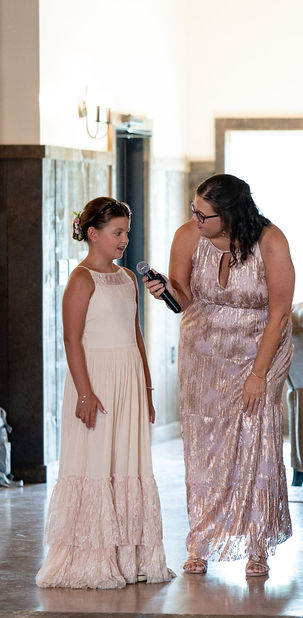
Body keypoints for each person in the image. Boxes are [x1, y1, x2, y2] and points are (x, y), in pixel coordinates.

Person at [144, 174, 294, 578]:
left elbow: (279, 312)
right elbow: (186, 296)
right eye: (194, 210)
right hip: (204, 352)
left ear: (228, 215)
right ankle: (201, 538)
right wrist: (166, 293)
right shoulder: (188, 236)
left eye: (203, 214)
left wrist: (258, 374)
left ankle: (257, 544)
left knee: (256, 436)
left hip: (260, 348)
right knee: (205, 441)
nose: (195, 219)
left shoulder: (270, 241)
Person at [36, 198, 175, 589]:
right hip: (95, 382)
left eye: (127, 232)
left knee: (127, 465)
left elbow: (136, 335)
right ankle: (92, 558)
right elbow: (71, 338)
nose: (125, 240)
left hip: (128, 381)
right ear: (93, 234)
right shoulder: (81, 279)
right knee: (97, 463)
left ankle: (130, 558)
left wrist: (146, 389)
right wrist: (84, 393)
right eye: (118, 233)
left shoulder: (129, 278)